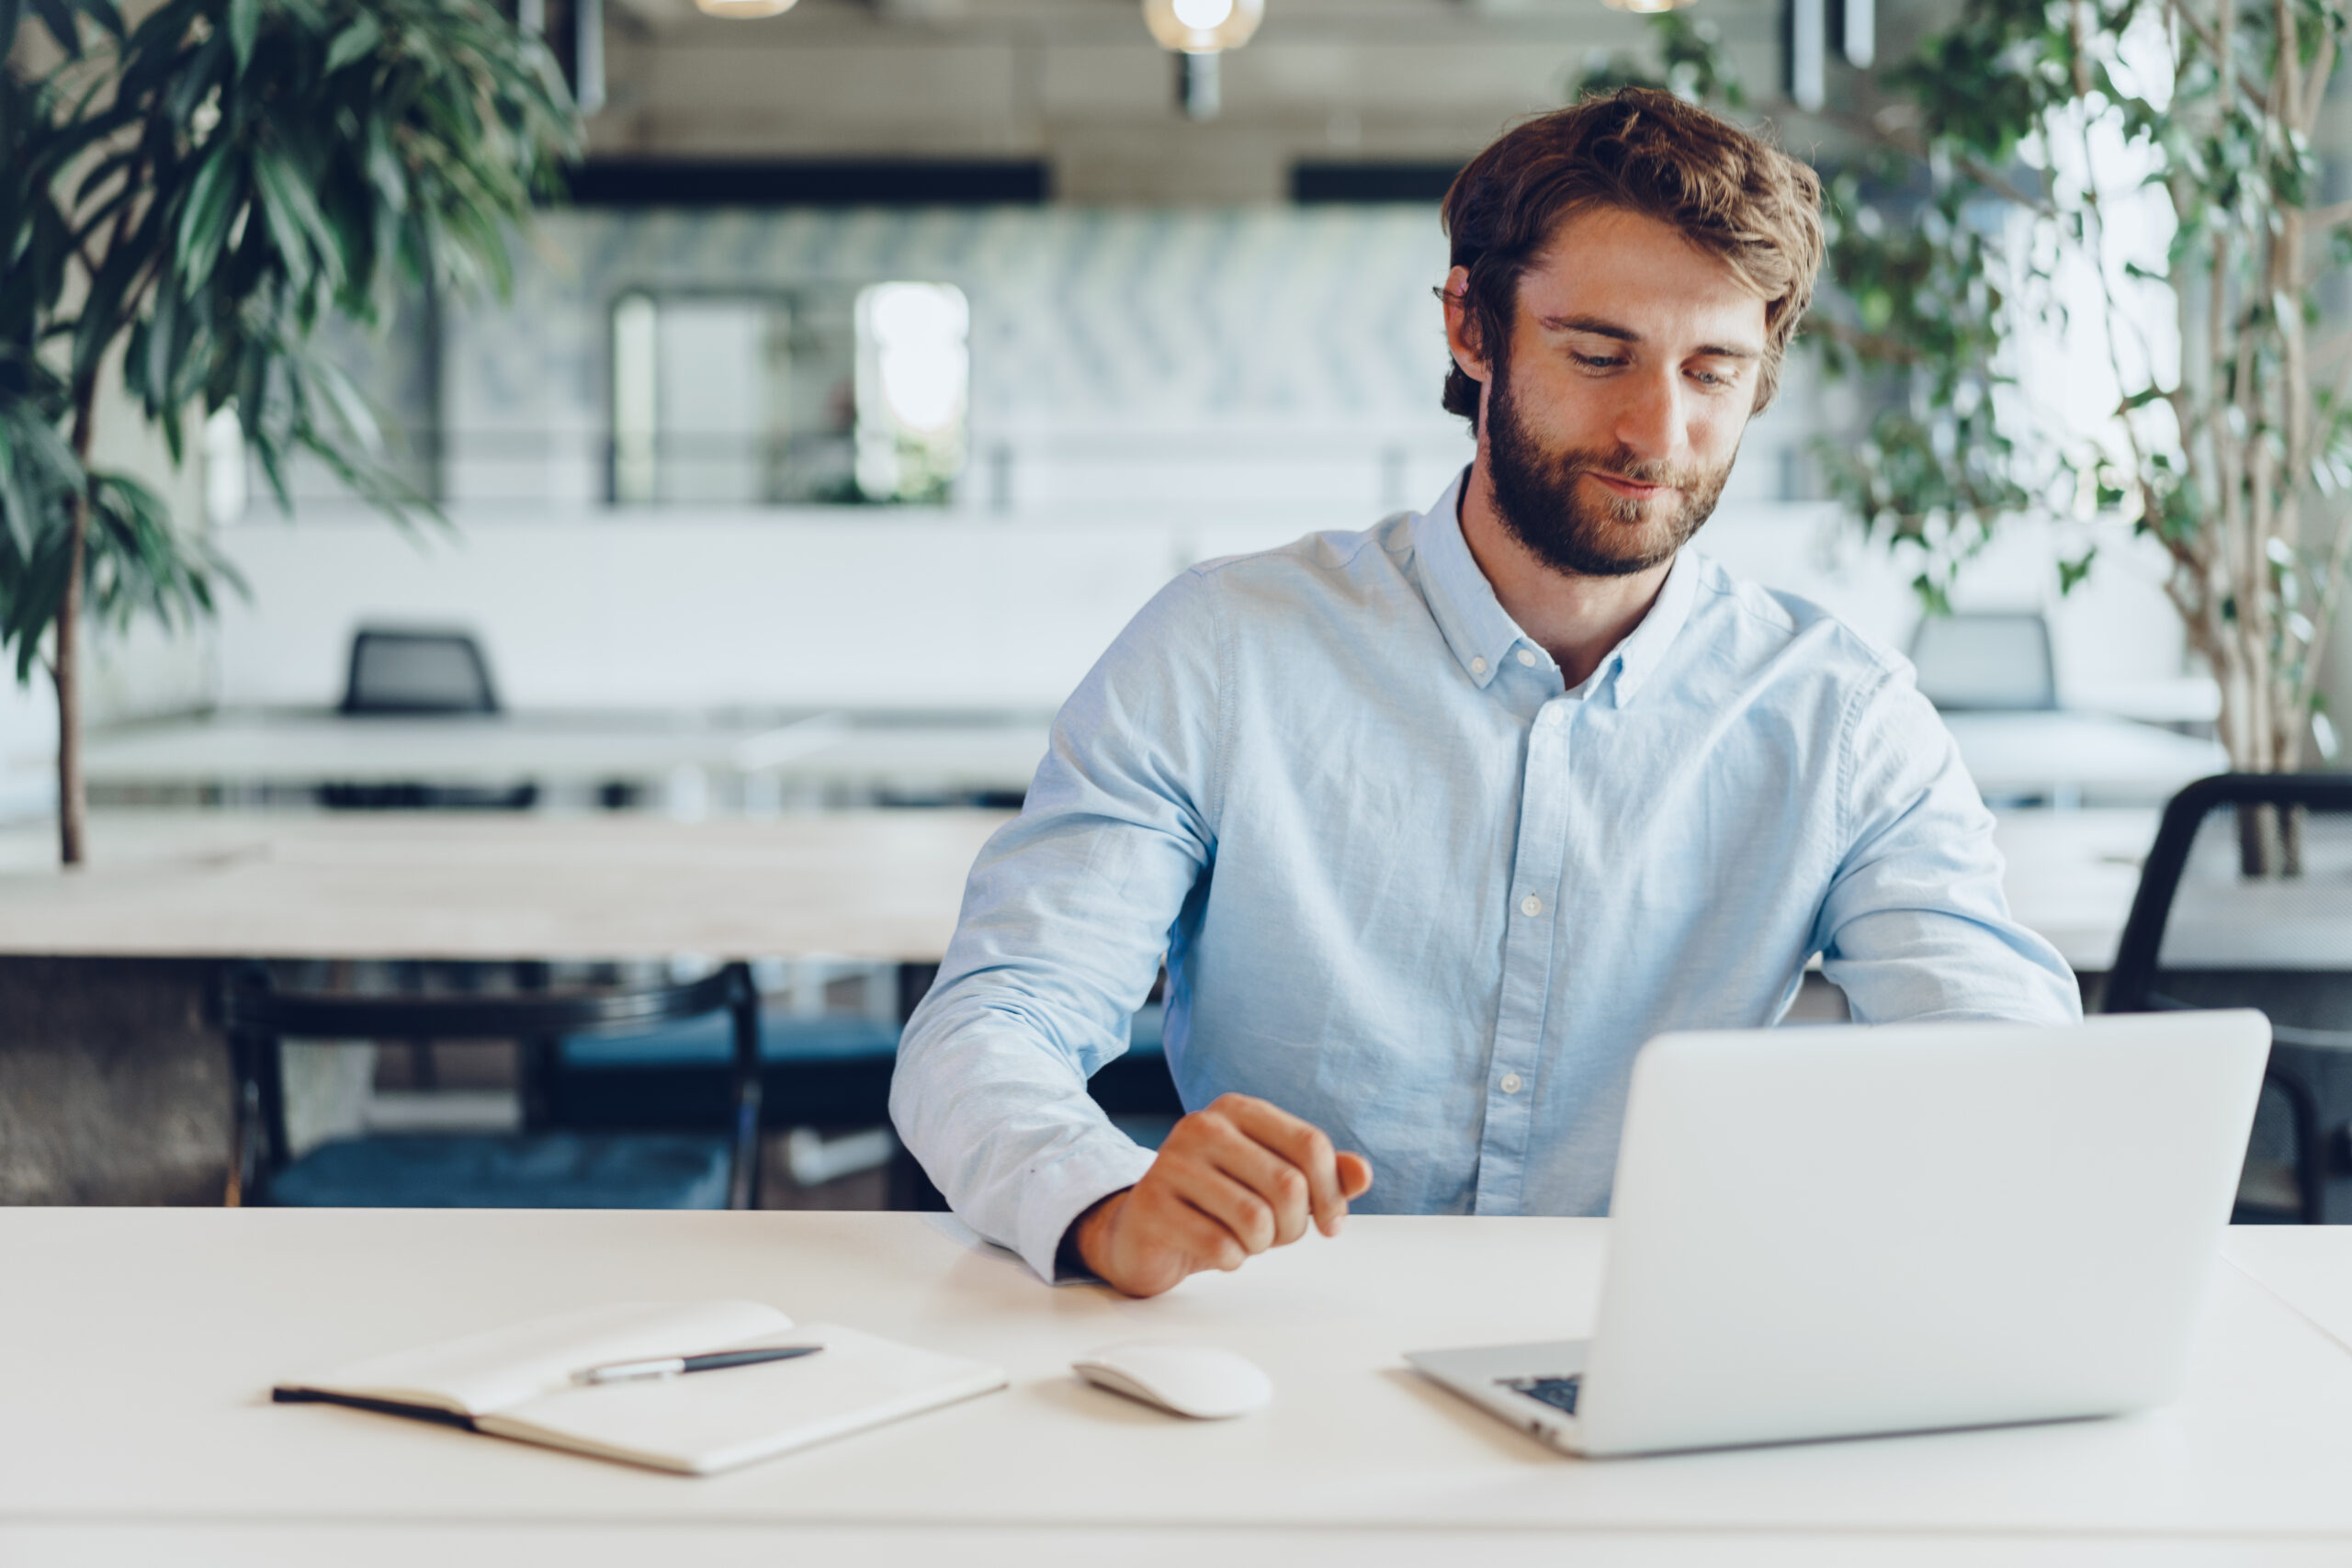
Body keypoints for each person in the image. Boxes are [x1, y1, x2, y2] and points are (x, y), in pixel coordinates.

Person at [889, 87, 2081, 1299]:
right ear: (1472, 326)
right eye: (1599, 355)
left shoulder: (1842, 717)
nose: (1657, 431)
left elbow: (2001, 1061)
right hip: (1284, 1334)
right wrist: (1103, 1200)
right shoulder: (1223, 653)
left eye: (1713, 371)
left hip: (1659, 1340)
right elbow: (990, 1024)